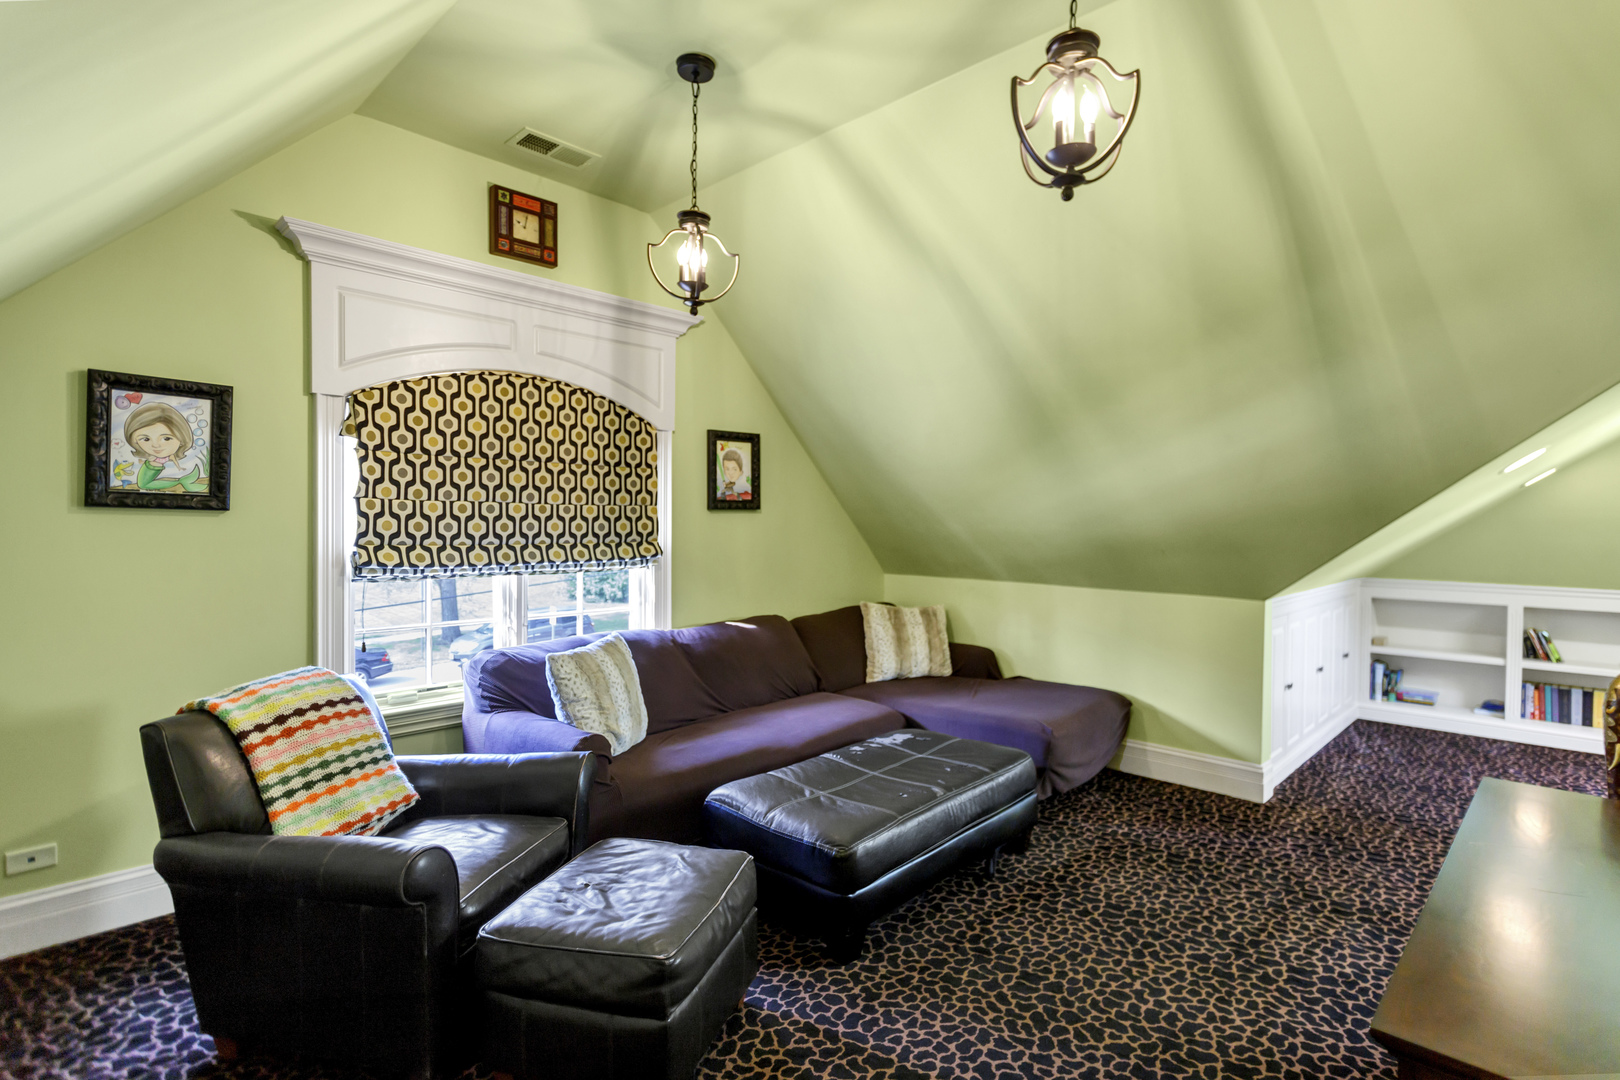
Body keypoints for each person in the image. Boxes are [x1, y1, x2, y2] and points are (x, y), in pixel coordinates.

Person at [125, 401, 208, 493]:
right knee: (142, 484)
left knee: (143, 484)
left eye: (166, 438)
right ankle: (181, 481)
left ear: (182, 438)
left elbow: (174, 459)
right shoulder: (152, 456)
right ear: (134, 441)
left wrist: (179, 468)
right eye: (146, 439)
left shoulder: (167, 456)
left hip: (153, 469)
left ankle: (180, 482)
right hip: (148, 468)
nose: (156, 445)